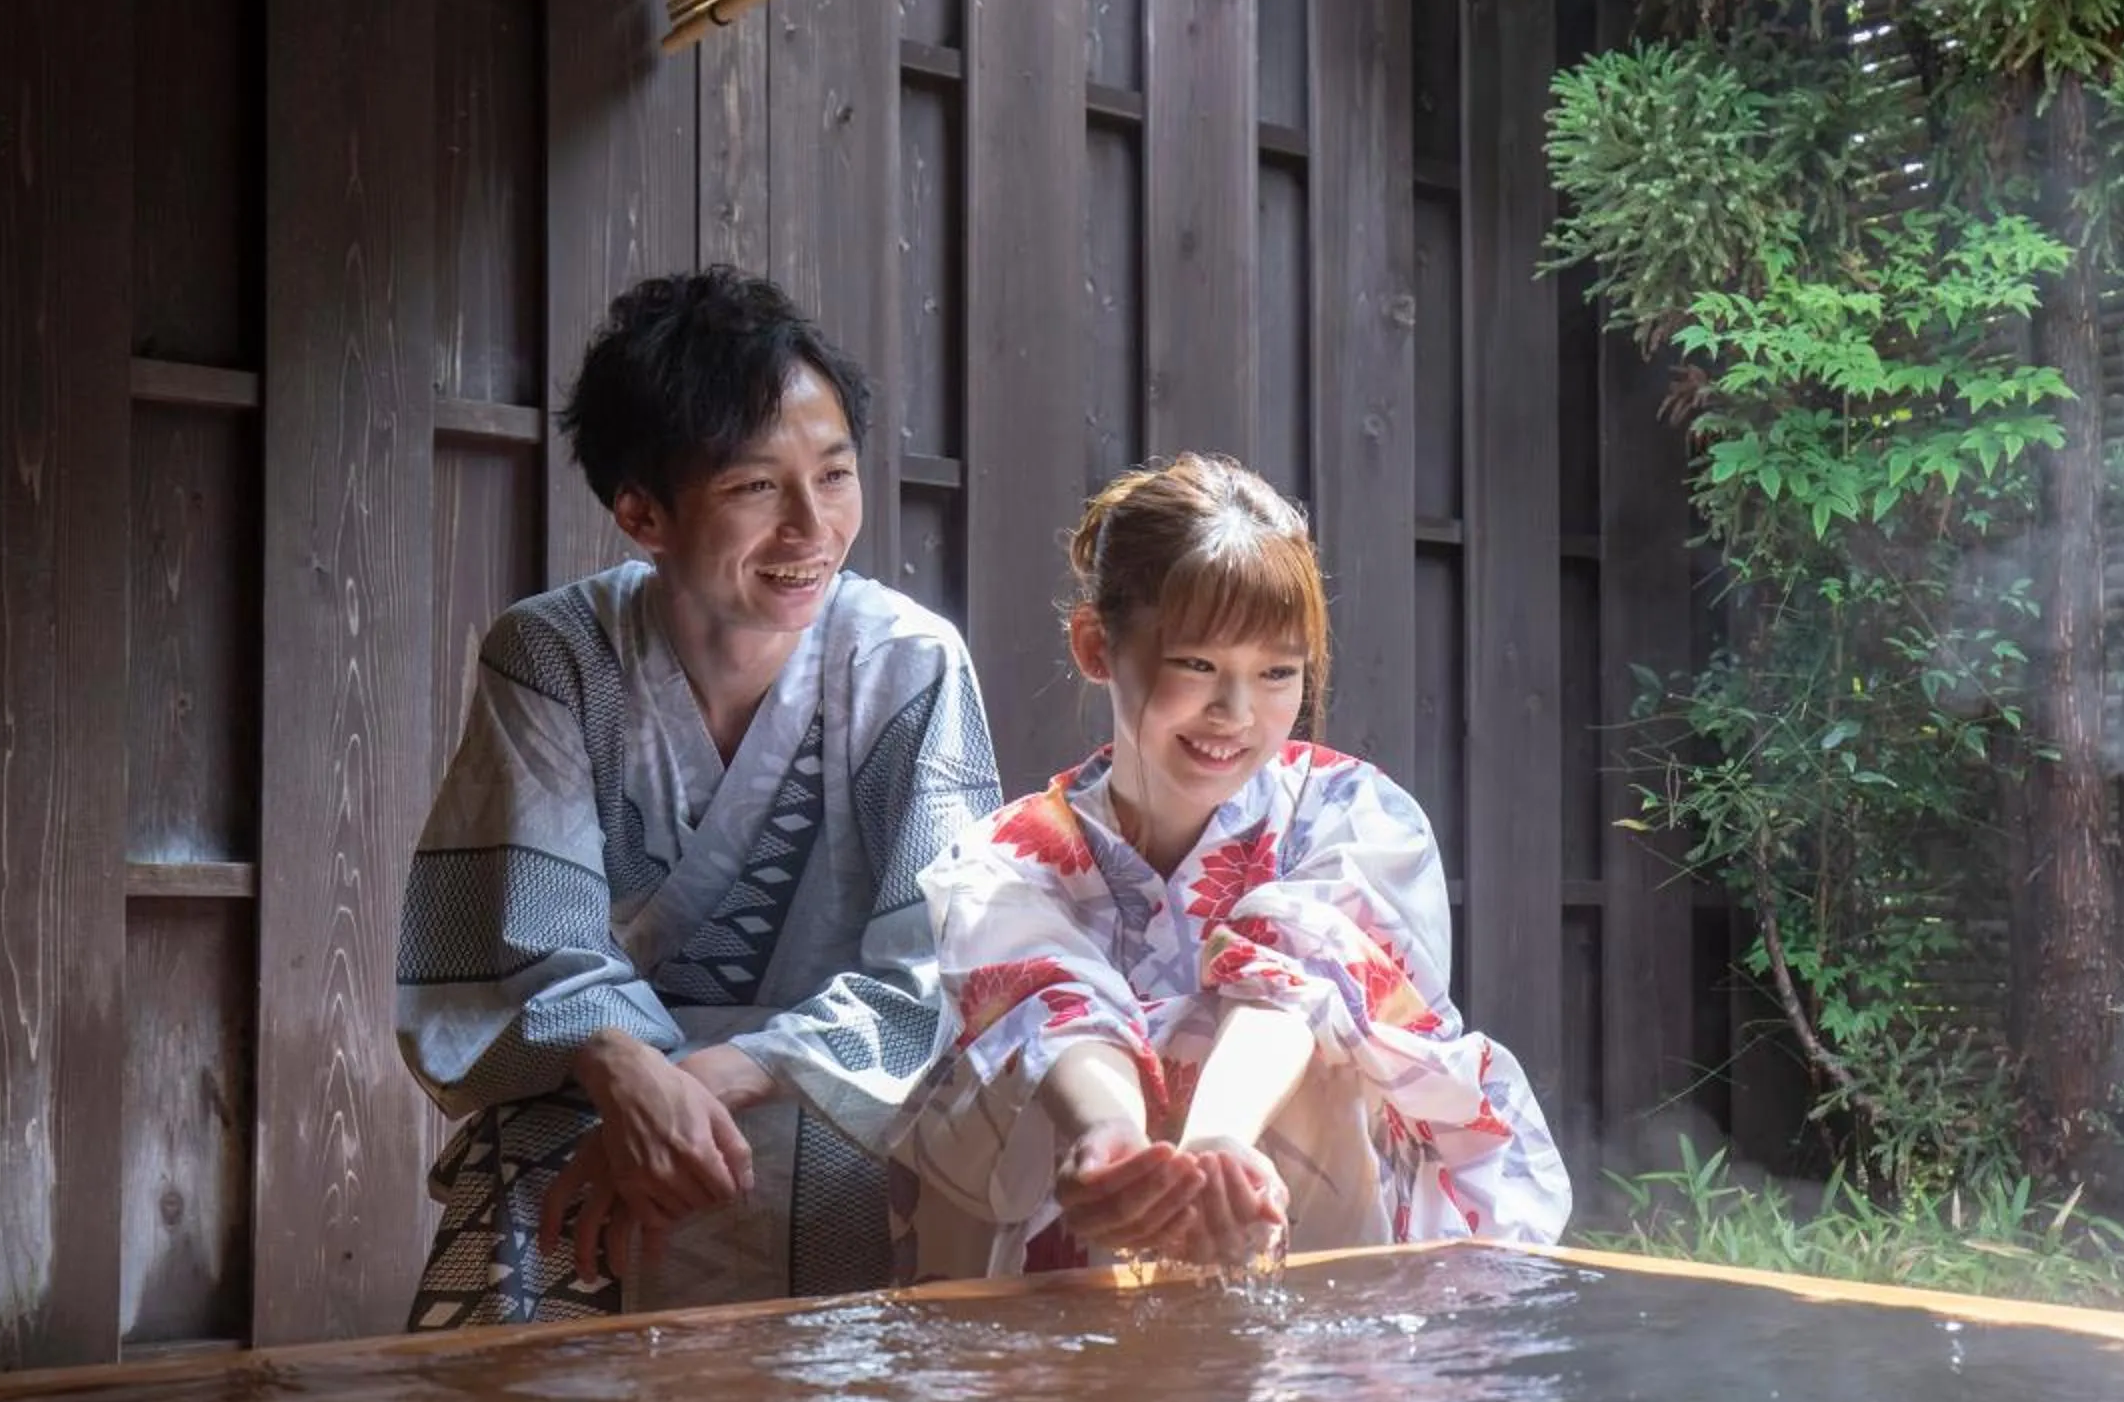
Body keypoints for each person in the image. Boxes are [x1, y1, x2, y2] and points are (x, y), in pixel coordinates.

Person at [396, 268, 1003, 1327]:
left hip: (838, 1107)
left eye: (836, 474)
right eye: (755, 487)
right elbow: (527, 948)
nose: (812, 527)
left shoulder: (911, 665)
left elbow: (941, 968)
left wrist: (713, 1079)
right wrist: (624, 1067)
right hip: (597, 1105)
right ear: (643, 510)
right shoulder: (553, 657)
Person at [886, 452, 1570, 1275]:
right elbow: (1054, 1007)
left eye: (1277, 673)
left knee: (1333, 1047)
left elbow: (1296, 981)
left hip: (1308, 1206)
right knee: (1011, 1080)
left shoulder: (1354, 815)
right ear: (1097, 646)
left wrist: (1218, 1139)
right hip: (1089, 1214)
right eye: (1198, 666)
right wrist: (1112, 1142)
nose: (1236, 714)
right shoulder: (1006, 858)